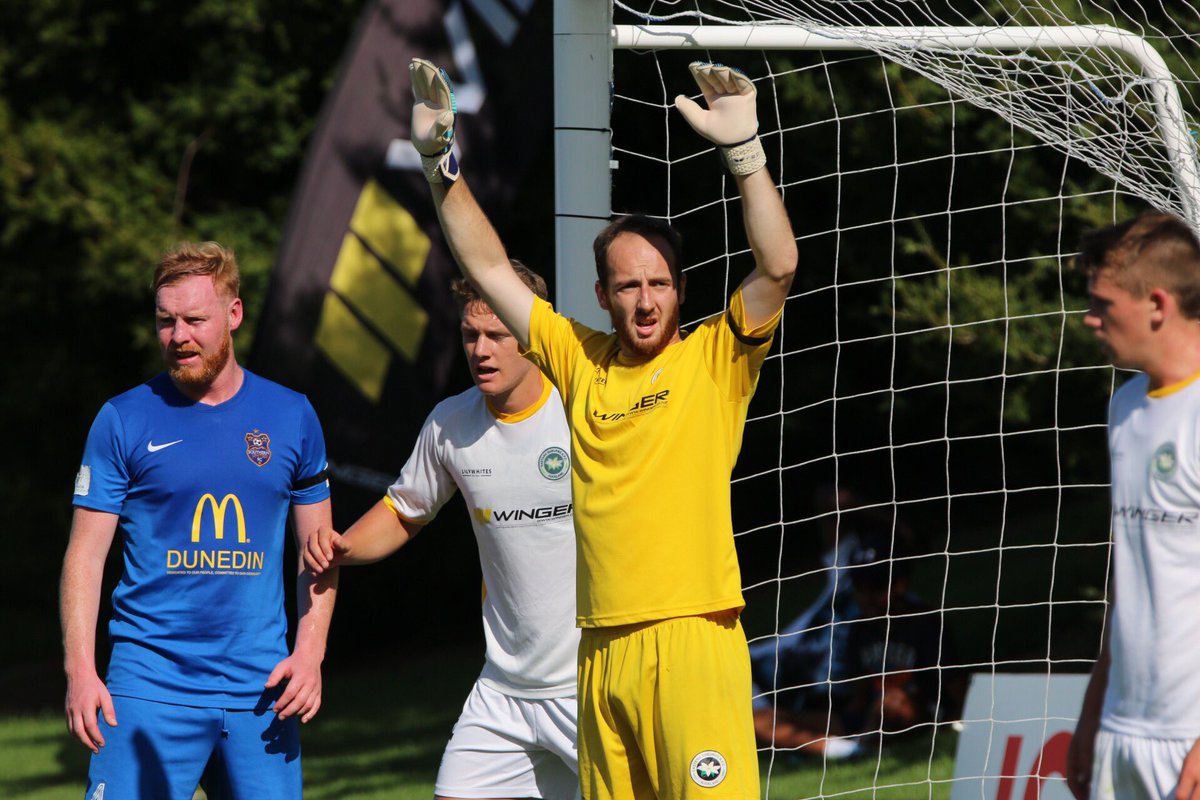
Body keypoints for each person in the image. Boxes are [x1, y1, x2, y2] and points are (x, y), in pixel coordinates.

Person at [409, 57, 798, 798]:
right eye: (628, 286)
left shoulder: (717, 357)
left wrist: (745, 155)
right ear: (603, 295)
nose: (645, 301)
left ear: (681, 291)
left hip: (693, 638)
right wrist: (440, 166)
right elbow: (490, 269)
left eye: (658, 284)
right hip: (600, 651)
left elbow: (778, 266)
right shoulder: (581, 362)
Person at [60, 241, 337, 799]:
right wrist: (80, 671)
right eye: (166, 321)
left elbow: (320, 552)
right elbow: (85, 557)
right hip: (148, 686)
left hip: (262, 690)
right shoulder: (122, 419)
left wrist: (310, 654)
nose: (178, 336)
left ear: (232, 315)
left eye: (194, 319)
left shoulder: (292, 416)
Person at [304, 264, 581, 800]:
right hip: (504, 688)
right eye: (470, 334)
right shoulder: (451, 424)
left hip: (590, 685)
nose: (481, 350)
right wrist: (344, 547)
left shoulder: (580, 409)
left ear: (531, 334)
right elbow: (406, 510)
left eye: (497, 335)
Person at [1066, 211, 1200, 800]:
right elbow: (1131, 578)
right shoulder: (1124, 407)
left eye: (1103, 304)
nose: (1090, 320)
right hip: (1123, 727)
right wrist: (1095, 709)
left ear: (1158, 304)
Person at [752, 515, 961, 760]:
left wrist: (954, 723)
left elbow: (954, 688)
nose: (867, 596)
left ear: (900, 584)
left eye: (876, 586)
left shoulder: (926, 622)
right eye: (860, 587)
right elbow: (859, 695)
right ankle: (847, 752)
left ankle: (862, 744)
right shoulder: (860, 629)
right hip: (867, 718)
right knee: (760, 719)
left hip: (913, 713)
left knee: (890, 703)